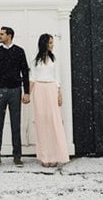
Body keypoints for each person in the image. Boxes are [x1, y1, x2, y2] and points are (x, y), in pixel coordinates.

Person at [0, 25, 30, 168]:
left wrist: (27, 92)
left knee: (15, 124)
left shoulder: (19, 52)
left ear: (9, 35)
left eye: (2, 34)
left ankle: (17, 157)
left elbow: (25, 72)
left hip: (15, 91)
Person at [30, 33, 70, 167]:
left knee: (54, 122)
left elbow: (57, 78)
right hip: (39, 90)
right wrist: (27, 94)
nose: (53, 45)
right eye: (50, 43)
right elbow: (32, 79)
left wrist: (59, 94)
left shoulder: (54, 60)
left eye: (53, 42)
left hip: (52, 89)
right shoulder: (35, 61)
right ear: (44, 44)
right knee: (42, 122)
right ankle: (44, 156)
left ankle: (55, 155)